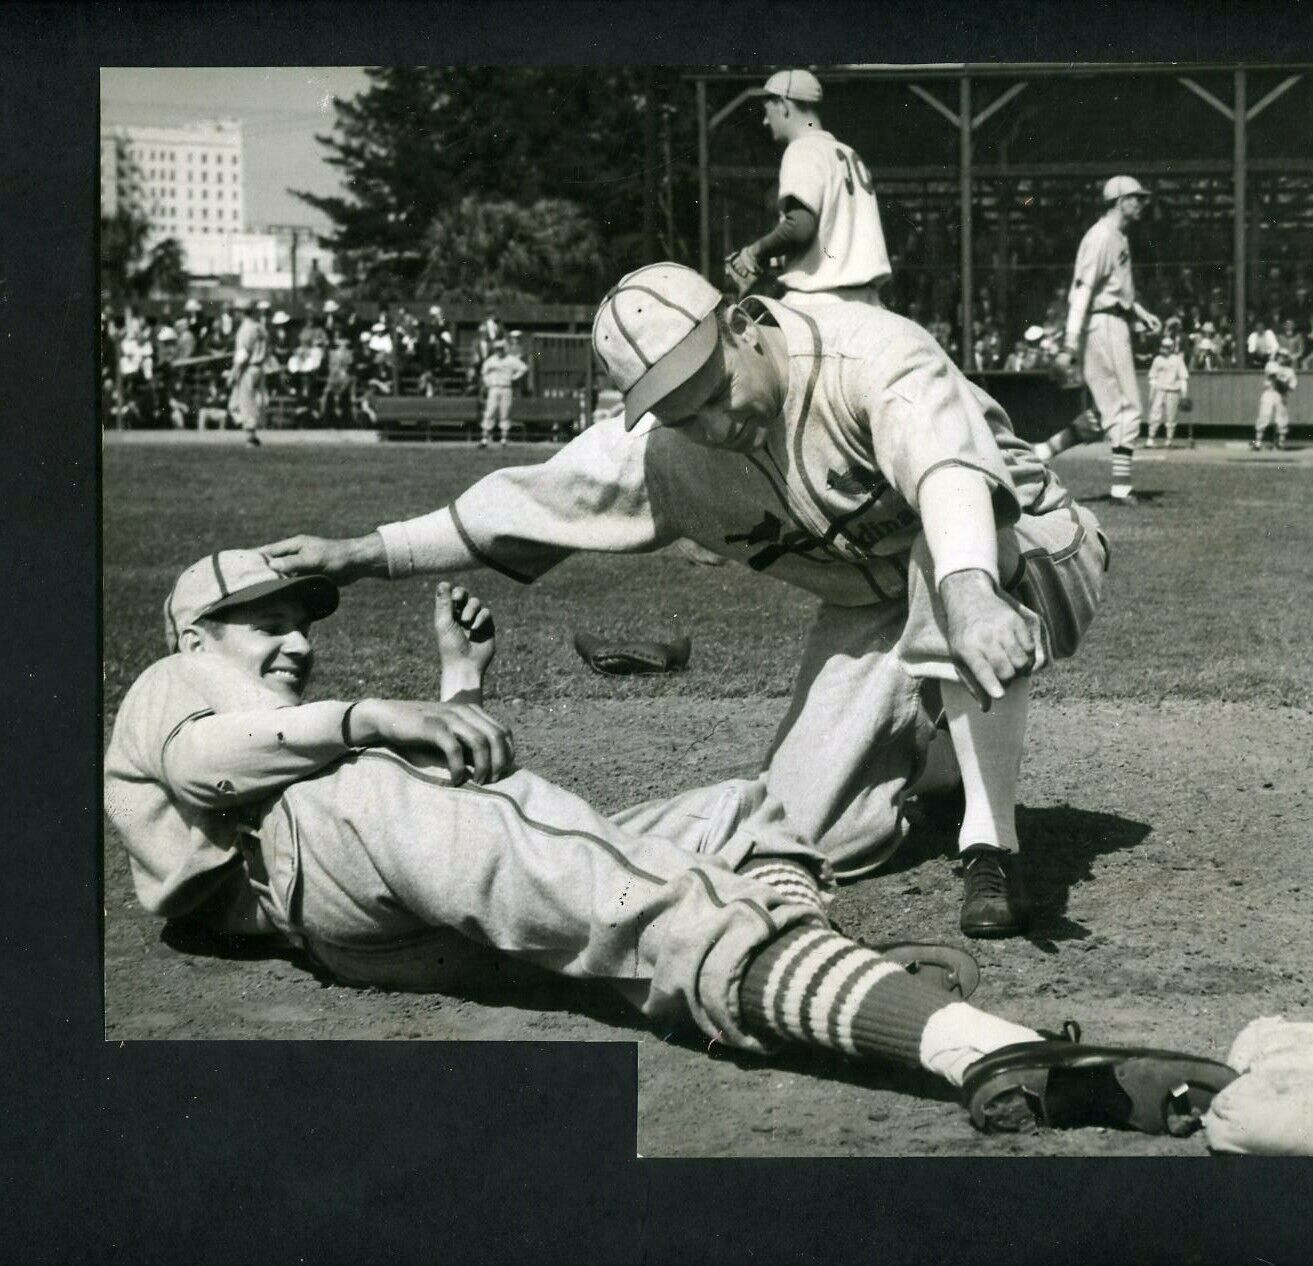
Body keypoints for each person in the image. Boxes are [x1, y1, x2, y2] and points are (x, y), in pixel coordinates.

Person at [103, 549, 1236, 1137]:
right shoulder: (173, 680)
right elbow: (213, 763)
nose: (297, 638)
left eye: (305, 620)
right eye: (269, 621)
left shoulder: (284, 720)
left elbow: (449, 801)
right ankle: (964, 1042)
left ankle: (811, 963)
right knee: (566, 863)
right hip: (300, 873)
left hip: (374, 893)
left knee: (740, 812)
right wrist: (376, 716)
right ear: (197, 632)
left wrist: (455, 690)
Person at [258, 262, 1112, 942]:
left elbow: (951, 479)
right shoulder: (669, 448)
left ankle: (990, 846)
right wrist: (363, 553)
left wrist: (968, 589)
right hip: (876, 608)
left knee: (950, 552)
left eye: (708, 388)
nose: (708, 424)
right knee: (801, 831)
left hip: (1027, 545)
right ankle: (945, 761)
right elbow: (516, 503)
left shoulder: (872, 353)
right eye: (675, 410)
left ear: (740, 323)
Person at [725, 69, 891, 310]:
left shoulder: (802, 149)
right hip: (869, 301)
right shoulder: (848, 153)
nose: (765, 120)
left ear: (783, 105)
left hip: (821, 302)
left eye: (767, 111)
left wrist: (754, 251)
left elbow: (800, 227)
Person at [1052, 176, 1162, 506]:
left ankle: (1041, 451)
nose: (1141, 203)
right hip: (1101, 326)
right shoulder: (1100, 237)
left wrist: (1140, 312)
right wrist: (1069, 344)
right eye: (1136, 198)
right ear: (1118, 200)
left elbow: (1111, 289)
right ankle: (1121, 489)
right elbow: (1083, 291)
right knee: (1128, 408)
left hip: (1114, 319)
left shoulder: (1118, 237)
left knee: (1108, 411)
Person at [226, 298, 268, 448]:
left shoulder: (245, 329)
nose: (234, 314)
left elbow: (242, 354)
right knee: (246, 401)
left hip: (248, 368)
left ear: (241, 312)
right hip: (259, 367)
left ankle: (251, 436)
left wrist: (233, 373)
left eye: (236, 311)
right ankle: (252, 434)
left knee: (246, 402)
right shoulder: (260, 327)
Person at [478, 337, 528, 448]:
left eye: (501, 348)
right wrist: (488, 382)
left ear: (504, 348)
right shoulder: (491, 360)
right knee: (490, 412)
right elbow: (483, 372)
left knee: (505, 413)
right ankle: (484, 439)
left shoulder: (511, 359)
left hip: (506, 388)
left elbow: (524, 368)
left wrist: (514, 377)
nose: (499, 350)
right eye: (497, 348)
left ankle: (504, 439)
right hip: (494, 388)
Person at [1145, 336, 1190, 448]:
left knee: (1171, 416)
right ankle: (1150, 438)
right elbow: (1152, 377)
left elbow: (1183, 377)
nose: (1164, 348)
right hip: (1159, 390)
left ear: (1171, 347)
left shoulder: (1177, 360)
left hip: (1173, 391)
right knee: (1155, 414)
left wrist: (1184, 394)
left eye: (1167, 347)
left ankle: (1169, 439)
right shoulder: (1157, 360)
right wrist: (1152, 392)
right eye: (1163, 346)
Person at [1252, 351, 1297, 452]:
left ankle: (1280, 443)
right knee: (1264, 416)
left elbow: (1292, 387)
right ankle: (1257, 443)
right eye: (1279, 356)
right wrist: (1283, 383)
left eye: (1284, 356)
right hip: (1270, 392)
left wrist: (1286, 386)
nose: (1281, 358)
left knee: (1282, 419)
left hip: (1281, 395)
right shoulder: (1271, 364)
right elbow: (1273, 376)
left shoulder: (1290, 371)